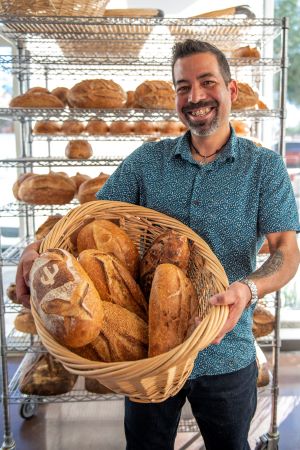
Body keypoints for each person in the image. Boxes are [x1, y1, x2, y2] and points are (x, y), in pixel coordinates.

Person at [16, 40, 300, 450]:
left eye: (207, 82)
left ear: (231, 91)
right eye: (183, 87)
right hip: (148, 353)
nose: (195, 97)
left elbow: (286, 252)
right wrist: (39, 246)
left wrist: (249, 288)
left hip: (226, 349)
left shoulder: (263, 167)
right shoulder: (147, 162)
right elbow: (92, 218)